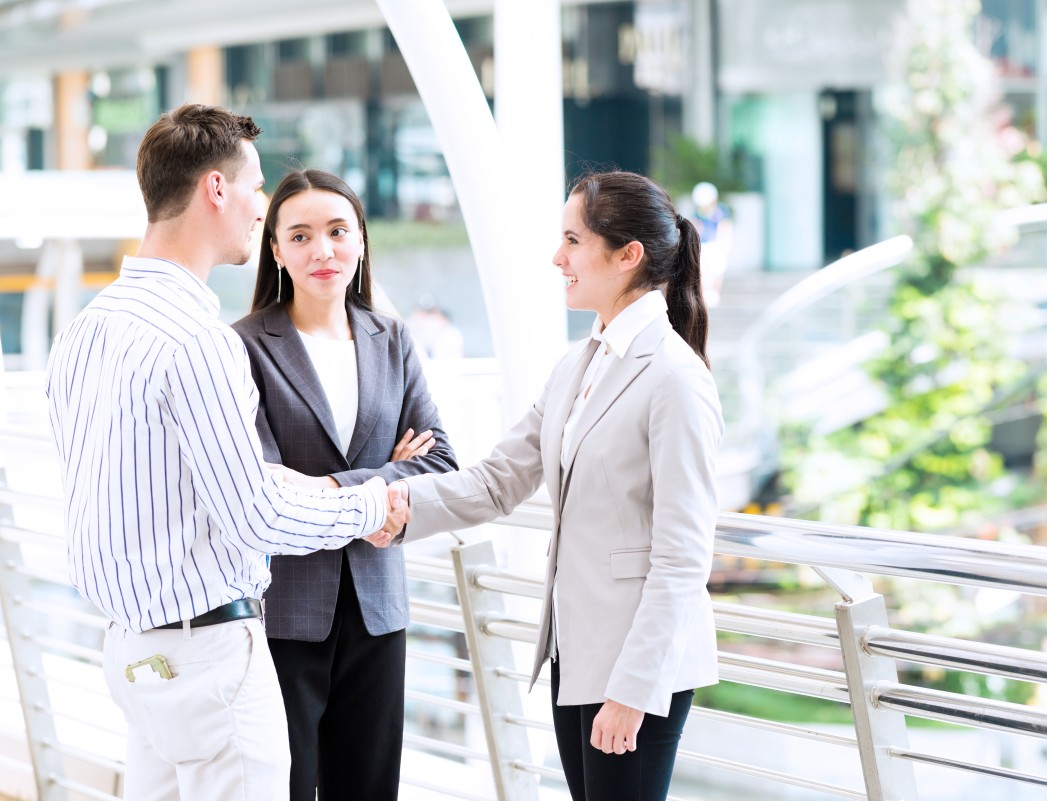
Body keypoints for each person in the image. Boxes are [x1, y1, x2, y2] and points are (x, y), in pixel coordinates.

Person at [43, 105, 410, 801]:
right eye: (254, 187)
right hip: (207, 661)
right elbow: (255, 512)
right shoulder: (197, 339)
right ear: (216, 189)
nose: (259, 207)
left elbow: (176, 481)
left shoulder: (86, 328)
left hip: (132, 653)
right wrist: (367, 503)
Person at [394, 170, 723, 800]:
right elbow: (497, 482)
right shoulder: (578, 364)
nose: (557, 257)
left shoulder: (676, 378)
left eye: (572, 240)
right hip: (574, 653)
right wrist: (398, 507)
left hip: (637, 668)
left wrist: (632, 690)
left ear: (628, 256)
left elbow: (683, 557)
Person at [232, 168, 458, 801]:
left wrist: (330, 486)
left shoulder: (394, 340)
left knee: (370, 788)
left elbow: (439, 463)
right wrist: (388, 471)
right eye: (300, 236)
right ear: (275, 250)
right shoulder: (244, 347)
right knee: (290, 787)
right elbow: (264, 484)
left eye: (337, 231)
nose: (322, 250)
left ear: (361, 239)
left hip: (379, 609)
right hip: (286, 614)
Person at [689, 181, 733, 307]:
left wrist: (724, 243)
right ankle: (703, 293)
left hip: (715, 245)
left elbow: (724, 227)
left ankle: (714, 293)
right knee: (702, 269)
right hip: (703, 245)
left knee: (716, 269)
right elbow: (696, 227)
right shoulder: (698, 213)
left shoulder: (720, 211)